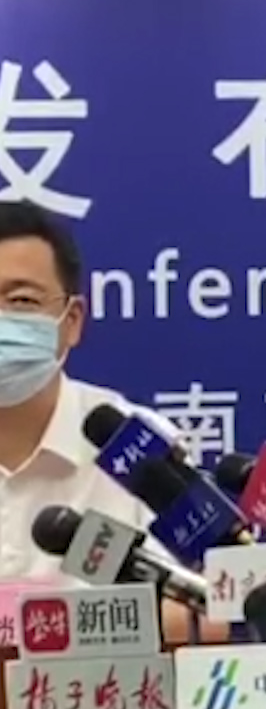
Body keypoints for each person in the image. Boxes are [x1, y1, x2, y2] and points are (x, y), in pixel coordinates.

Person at [0, 201, 191, 636]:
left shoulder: (137, 445)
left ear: (71, 321)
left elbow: (199, 612)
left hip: (106, 680)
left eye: (21, 301)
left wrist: (52, 634)